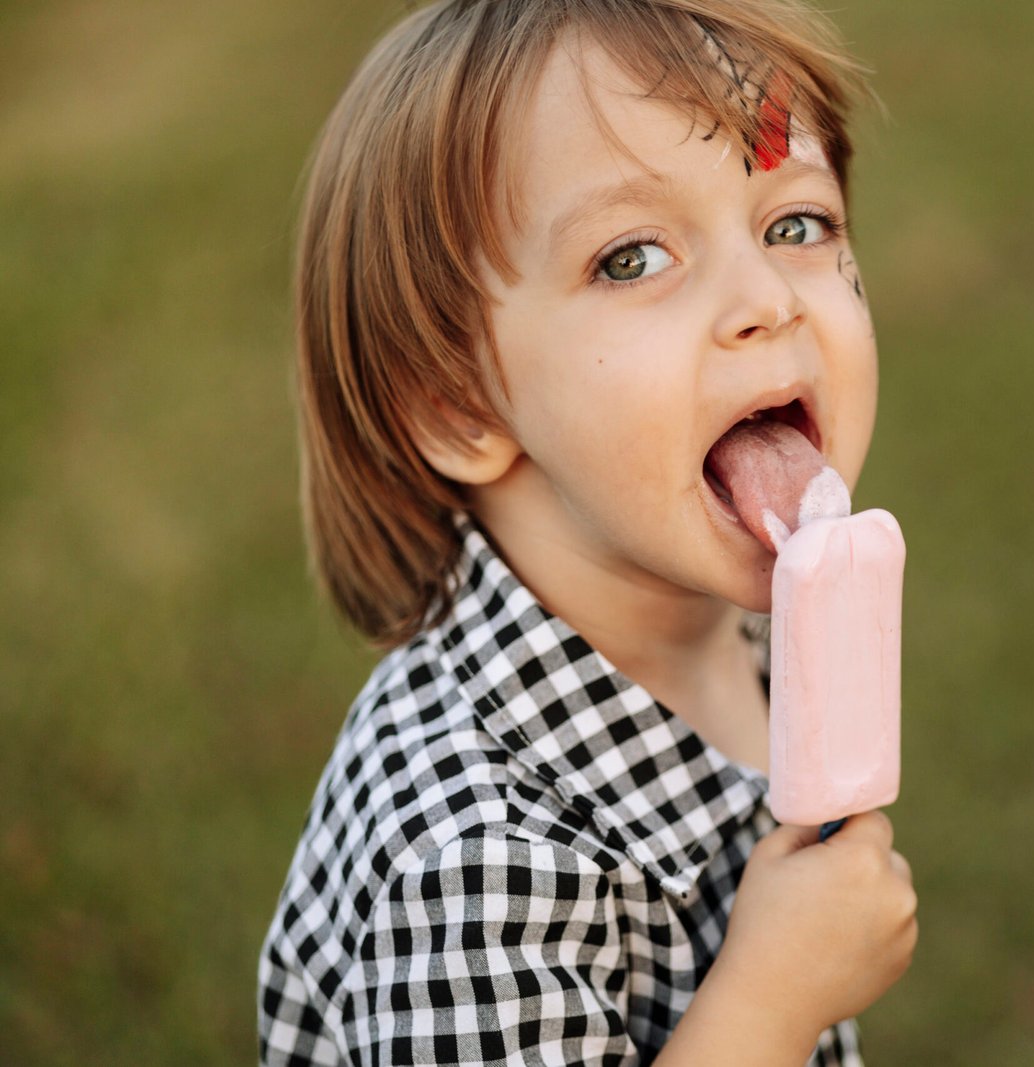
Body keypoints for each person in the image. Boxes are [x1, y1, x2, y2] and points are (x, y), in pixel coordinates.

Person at [257, 1, 916, 1063]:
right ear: (457, 405)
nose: (765, 299)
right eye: (632, 257)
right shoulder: (467, 861)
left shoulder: (730, 622)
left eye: (795, 225)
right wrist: (774, 1001)